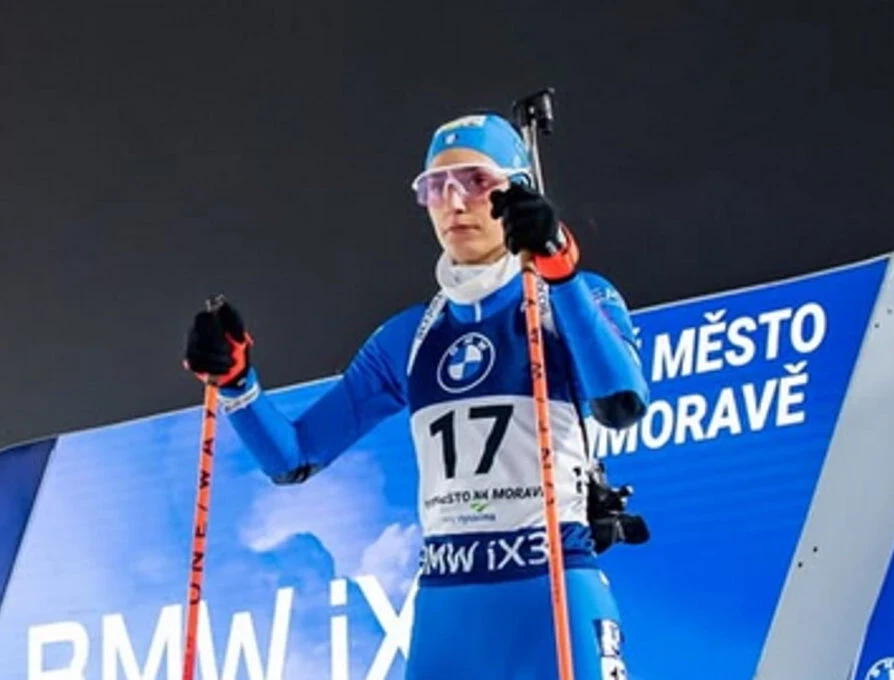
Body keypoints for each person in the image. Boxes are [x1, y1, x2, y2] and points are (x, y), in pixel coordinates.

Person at [184, 111, 649, 679]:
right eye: (436, 188)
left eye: (477, 182)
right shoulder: (409, 335)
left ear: (518, 191)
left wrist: (559, 268)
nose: (454, 202)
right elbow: (293, 457)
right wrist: (237, 383)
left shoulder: (575, 295)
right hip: (447, 612)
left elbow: (621, 403)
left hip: (552, 594)